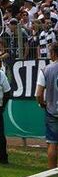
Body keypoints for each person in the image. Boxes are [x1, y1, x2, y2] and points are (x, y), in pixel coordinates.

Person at [35, 41, 58, 169]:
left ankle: (52, 173)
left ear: (53, 53)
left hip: (52, 110)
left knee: (52, 143)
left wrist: (42, 103)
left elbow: (38, 94)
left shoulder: (46, 70)